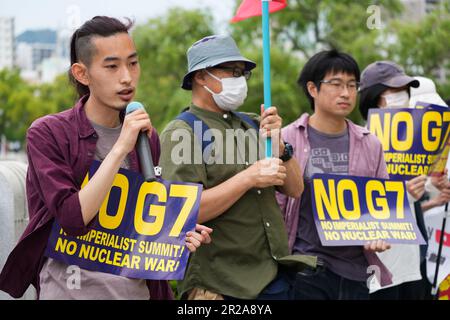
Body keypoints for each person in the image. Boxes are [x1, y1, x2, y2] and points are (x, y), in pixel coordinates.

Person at [0, 16, 212, 300]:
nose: (126, 77)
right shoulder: (49, 134)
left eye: (133, 63)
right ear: (82, 73)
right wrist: (119, 148)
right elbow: (72, 219)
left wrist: (176, 231)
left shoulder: (146, 137)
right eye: (112, 66)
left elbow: (142, 222)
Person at [159, 35, 313, 300]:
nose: (239, 79)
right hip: (219, 285)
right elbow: (181, 214)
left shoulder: (253, 124)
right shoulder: (182, 132)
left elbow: (295, 189)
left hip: (273, 276)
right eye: (230, 71)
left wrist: (281, 147)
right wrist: (249, 178)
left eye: (242, 73)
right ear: (201, 77)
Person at [276, 49, 392, 300]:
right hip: (305, 270)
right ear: (312, 89)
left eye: (352, 85)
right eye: (336, 84)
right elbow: (276, 206)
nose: (346, 93)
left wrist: (381, 233)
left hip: (357, 274)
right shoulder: (286, 139)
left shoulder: (371, 143)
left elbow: (383, 207)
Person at [359, 61, 450, 299]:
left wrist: (430, 186)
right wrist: (405, 194)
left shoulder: (410, 143)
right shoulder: (361, 142)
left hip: (412, 262)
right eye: (393, 91)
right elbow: (358, 204)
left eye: (404, 90)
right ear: (373, 97)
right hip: (380, 270)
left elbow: (410, 198)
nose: (401, 96)